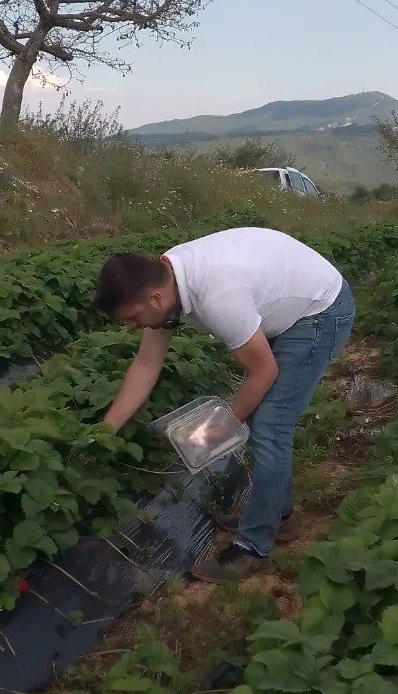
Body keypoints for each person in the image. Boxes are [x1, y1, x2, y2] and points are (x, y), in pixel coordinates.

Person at [93, 226, 355, 582]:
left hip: (319, 311)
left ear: (155, 299)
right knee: (264, 421)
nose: (131, 327)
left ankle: (252, 546)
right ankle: (277, 515)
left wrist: (226, 423)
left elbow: (262, 372)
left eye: (132, 319)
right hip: (290, 297)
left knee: (269, 427)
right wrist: (106, 429)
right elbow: (145, 365)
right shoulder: (168, 279)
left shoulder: (217, 298)